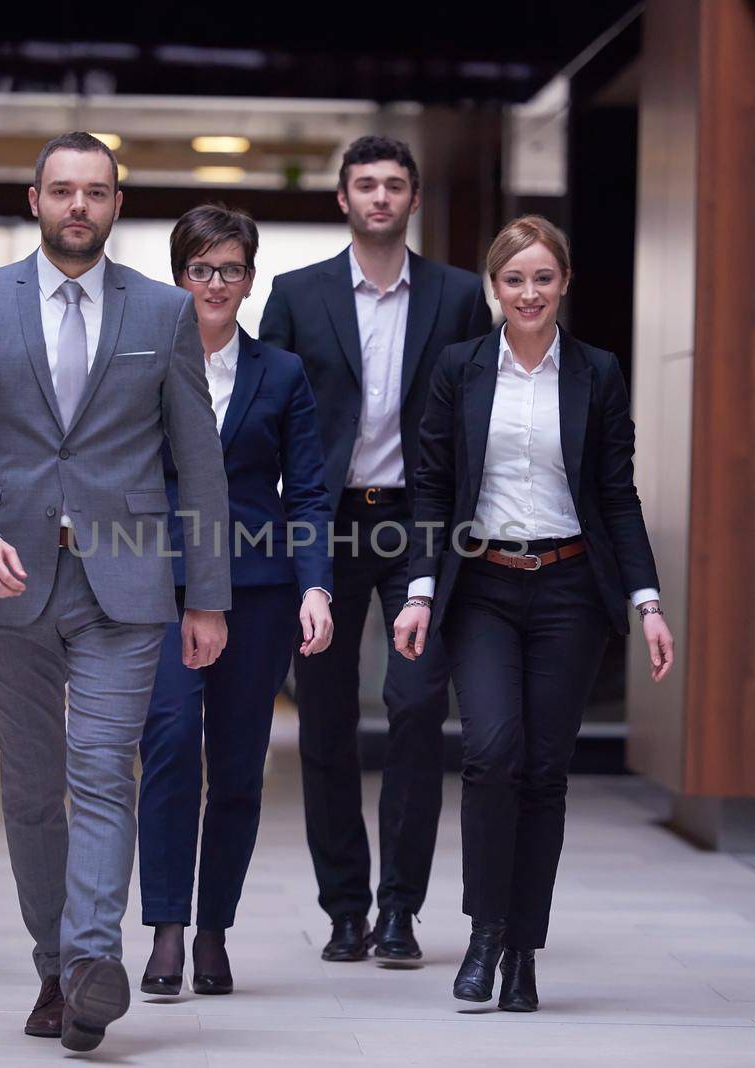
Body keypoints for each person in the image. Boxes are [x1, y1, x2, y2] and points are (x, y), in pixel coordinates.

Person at [0, 132, 231, 1052]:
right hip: (9, 580)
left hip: (124, 585)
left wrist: (206, 594)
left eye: (96, 192)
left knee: (102, 773)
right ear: (35, 200)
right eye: (63, 191)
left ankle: (93, 963)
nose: (79, 206)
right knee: (30, 788)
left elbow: (198, 462)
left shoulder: (164, 313)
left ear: (117, 204)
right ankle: (53, 968)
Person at [392, 215, 675, 1013]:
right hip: (480, 585)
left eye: (543, 277)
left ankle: (524, 951)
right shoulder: (460, 369)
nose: (529, 292)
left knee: (545, 772)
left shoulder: (598, 373)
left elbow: (617, 494)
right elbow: (432, 488)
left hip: (569, 591)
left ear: (564, 283)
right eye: (514, 278)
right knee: (490, 754)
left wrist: (646, 602)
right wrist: (419, 592)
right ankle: (485, 932)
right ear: (495, 286)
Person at [259, 135, 493, 963]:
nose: (381, 198)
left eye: (395, 185)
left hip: (418, 525)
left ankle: (401, 907)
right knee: (323, 722)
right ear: (343, 199)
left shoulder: (460, 296)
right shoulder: (296, 294)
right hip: (321, 529)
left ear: (414, 198)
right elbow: (271, 414)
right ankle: (345, 910)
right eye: (366, 185)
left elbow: (473, 419)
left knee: (419, 706)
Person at [136, 204, 335, 998]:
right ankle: (164, 930)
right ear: (179, 276)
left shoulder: (280, 374)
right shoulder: (144, 362)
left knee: (241, 767)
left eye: (232, 269)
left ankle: (214, 925)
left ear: (250, 281)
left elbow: (311, 492)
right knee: (172, 744)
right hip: (161, 586)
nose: (216, 283)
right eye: (201, 268)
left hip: (258, 592)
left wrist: (316, 583)